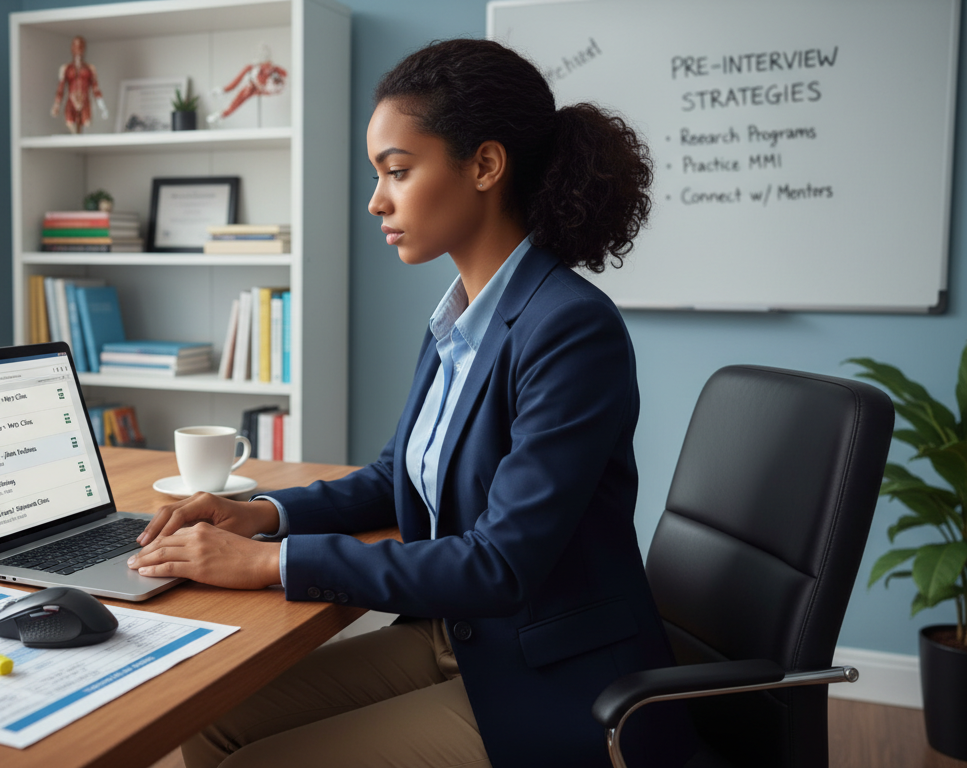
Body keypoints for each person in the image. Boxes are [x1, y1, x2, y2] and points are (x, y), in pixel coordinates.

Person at [128, 38, 693, 768]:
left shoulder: (571, 329)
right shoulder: (462, 314)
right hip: (454, 635)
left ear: (485, 165)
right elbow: (399, 474)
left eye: (398, 170)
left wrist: (269, 564)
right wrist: (262, 515)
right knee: (209, 718)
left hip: (551, 672)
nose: (377, 201)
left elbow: (499, 565)